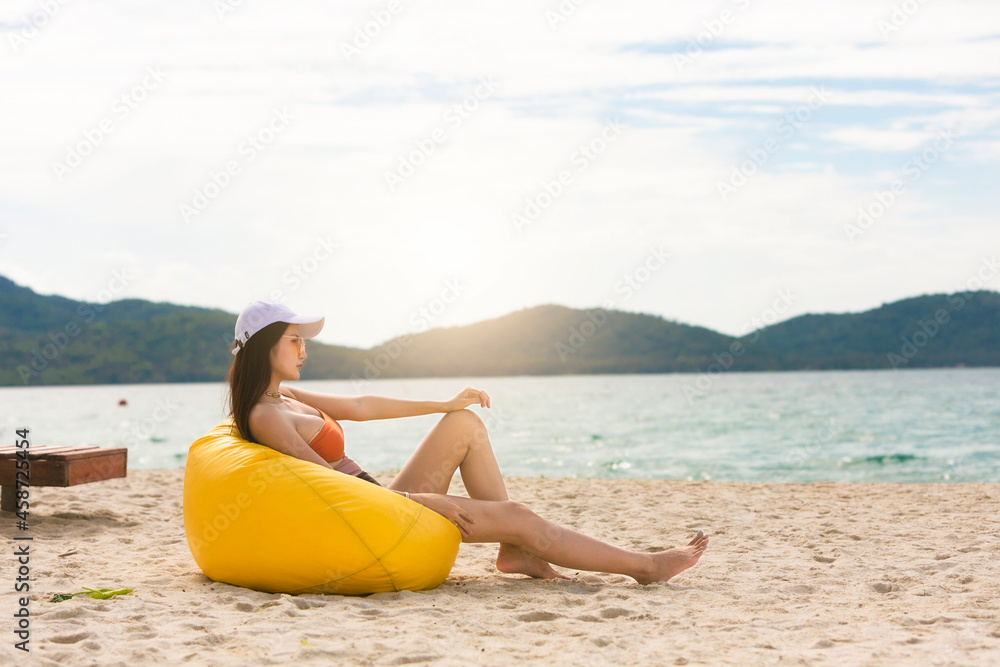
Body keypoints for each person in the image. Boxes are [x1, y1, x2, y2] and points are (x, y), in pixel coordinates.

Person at [226, 300, 708, 584]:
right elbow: (325, 485)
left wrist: (445, 404)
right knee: (519, 515)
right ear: (266, 343)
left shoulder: (283, 395)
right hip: (369, 518)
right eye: (294, 340)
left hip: (378, 501)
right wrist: (420, 499)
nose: (304, 349)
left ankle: (516, 551)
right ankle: (643, 567)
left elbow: (362, 406)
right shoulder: (266, 414)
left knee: (464, 424)